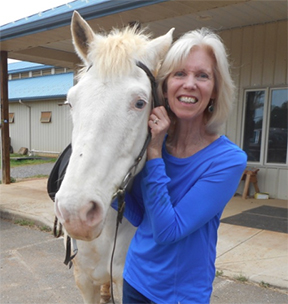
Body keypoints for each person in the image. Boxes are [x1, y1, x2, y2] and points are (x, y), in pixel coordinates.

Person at [121, 28, 247, 303]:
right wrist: (108, 186)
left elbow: (168, 231)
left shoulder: (228, 160)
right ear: (164, 87)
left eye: (202, 75)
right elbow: (144, 219)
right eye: (180, 73)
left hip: (180, 296)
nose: (190, 83)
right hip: (134, 278)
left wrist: (154, 152)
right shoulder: (154, 142)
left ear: (214, 90)